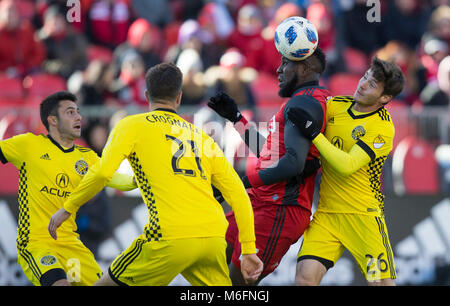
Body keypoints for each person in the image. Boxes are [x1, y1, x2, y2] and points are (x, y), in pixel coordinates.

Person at [48, 62, 263, 286]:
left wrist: (68, 208)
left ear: (147, 95)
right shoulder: (202, 137)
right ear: (179, 98)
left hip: (167, 238)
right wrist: (248, 249)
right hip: (212, 238)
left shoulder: (131, 125)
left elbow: (102, 172)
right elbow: (239, 195)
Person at [207, 46, 329, 285]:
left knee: (237, 285)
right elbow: (272, 155)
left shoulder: (305, 103)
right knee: (213, 261)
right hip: (261, 202)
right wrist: (236, 119)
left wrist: (239, 184)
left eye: (286, 63)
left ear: (304, 68)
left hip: (279, 210)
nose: (278, 69)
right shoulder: (302, 101)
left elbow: (293, 164)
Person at [287, 57, 405, 286]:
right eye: (364, 77)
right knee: (304, 277)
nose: (362, 84)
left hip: (363, 217)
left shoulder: (382, 127)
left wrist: (314, 134)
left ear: (385, 98)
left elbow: (347, 165)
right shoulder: (335, 105)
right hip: (327, 216)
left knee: (380, 283)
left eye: (371, 84)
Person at [0, 91, 138, 286]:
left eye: (78, 112)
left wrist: (139, 179)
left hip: (71, 244)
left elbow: (116, 179)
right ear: (53, 120)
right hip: (37, 243)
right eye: (70, 112)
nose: (79, 117)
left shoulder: (87, 157)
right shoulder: (28, 145)